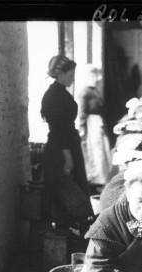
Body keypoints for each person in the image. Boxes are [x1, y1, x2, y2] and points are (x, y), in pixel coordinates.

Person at [41, 55, 94, 231]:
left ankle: (72, 230)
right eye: (70, 74)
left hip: (67, 144)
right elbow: (58, 130)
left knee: (72, 189)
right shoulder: (54, 96)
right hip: (60, 149)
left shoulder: (60, 92)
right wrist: (67, 157)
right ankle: (66, 231)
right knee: (66, 191)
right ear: (60, 74)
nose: (73, 77)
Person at [78, 65, 112, 187]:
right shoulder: (85, 92)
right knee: (96, 150)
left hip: (98, 122)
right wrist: (82, 128)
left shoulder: (94, 91)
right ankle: (96, 180)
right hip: (91, 123)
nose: (98, 78)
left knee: (103, 149)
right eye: (95, 75)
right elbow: (82, 111)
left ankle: (103, 178)